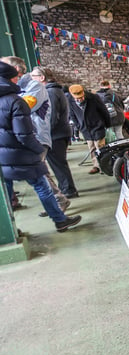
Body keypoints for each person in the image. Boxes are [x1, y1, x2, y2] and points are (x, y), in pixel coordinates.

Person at [0, 61, 81, 232]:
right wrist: (37, 149)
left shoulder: (30, 94)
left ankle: (10, 229)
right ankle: (60, 219)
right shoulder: (16, 102)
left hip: (3, 155)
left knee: (5, 191)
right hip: (22, 152)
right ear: (12, 79)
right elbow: (24, 134)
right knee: (41, 184)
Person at [31, 66, 79, 198]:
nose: (31, 79)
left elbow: (51, 117)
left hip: (55, 135)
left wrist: (44, 133)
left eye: (33, 76)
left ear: (42, 78)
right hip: (58, 133)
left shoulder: (50, 92)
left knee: (58, 164)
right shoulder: (54, 91)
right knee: (59, 163)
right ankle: (67, 187)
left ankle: (68, 190)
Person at [67, 84, 111, 174]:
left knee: (100, 147)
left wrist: (107, 124)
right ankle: (96, 166)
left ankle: (104, 167)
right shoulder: (70, 101)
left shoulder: (94, 98)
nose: (80, 99)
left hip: (97, 126)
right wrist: (79, 126)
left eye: (81, 97)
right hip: (85, 129)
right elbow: (72, 114)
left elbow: (104, 111)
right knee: (91, 148)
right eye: (77, 98)